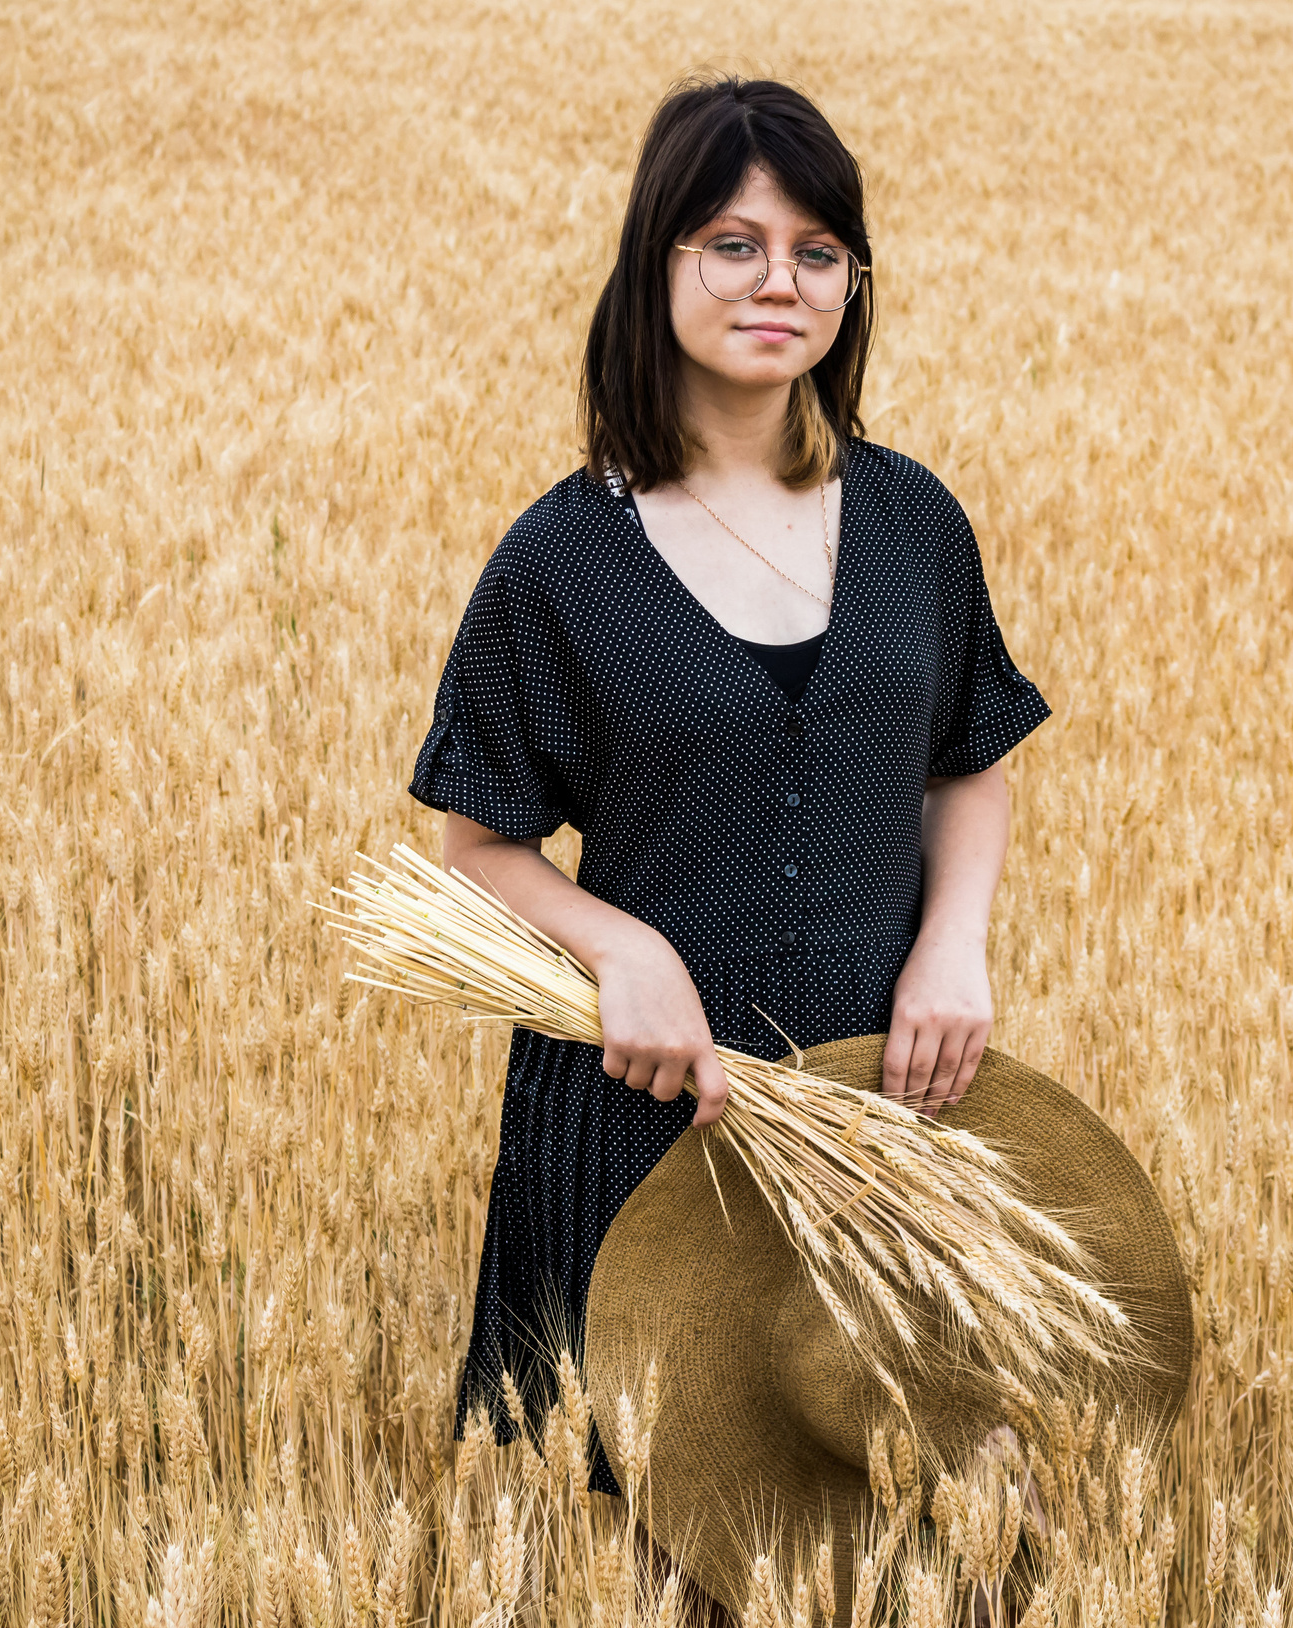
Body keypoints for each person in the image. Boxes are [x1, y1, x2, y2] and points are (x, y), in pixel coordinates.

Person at [408, 74, 1050, 1484]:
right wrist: (619, 948)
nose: (783, 283)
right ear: (659, 264)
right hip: (644, 1121)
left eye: (820, 252)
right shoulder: (562, 560)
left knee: (923, 1551)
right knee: (655, 1562)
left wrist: (952, 950)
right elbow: (477, 843)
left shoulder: (912, 523)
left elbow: (969, 767)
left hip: (880, 1115)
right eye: (735, 244)